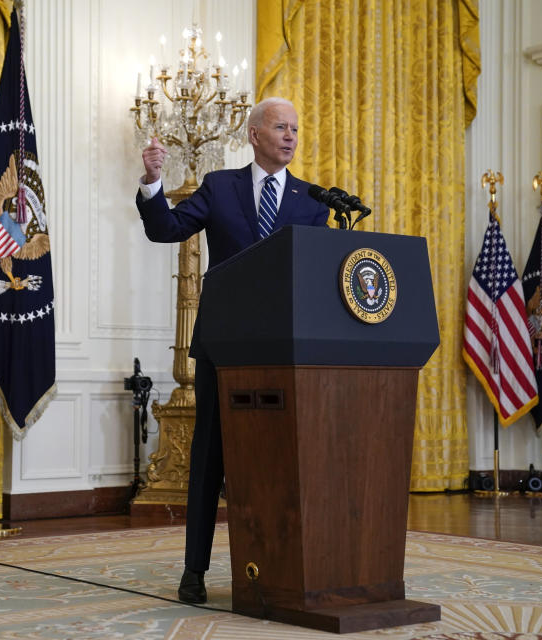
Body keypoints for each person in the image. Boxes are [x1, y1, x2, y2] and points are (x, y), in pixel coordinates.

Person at [135, 97, 329, 604]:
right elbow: (166, 229)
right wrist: (153, 181)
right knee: (210, 457)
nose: (289, 136)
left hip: (286, 347)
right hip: (224, 344)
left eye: (294, 128)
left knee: (281, 458)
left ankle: (283, 568)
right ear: (254, 134)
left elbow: (319, 271)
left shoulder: (313, 201)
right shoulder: (221, 187)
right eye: (280, 127)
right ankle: (193, 571)